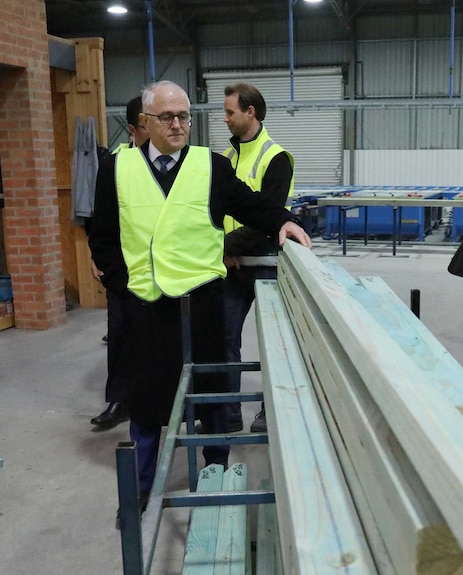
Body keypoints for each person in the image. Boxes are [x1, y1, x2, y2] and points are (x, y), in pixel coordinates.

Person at [89, 80, 311, 515]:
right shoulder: (117, 169)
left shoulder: (210, 166)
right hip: (146, 305)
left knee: (211, 396)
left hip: (202, 302)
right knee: (148, 402)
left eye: (184, 116)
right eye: (167, 117)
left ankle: (215, 476)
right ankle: (141, 488)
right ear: (145, 123)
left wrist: (282, 221)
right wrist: (122, 285)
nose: (177, 125)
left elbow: (251, 204)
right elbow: (103, 236)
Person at [220, 82, 294, 434]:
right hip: (231, 266)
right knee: (225, 340)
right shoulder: (228, 156)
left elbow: (269, 218)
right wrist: (223, 248)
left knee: (272, 343)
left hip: (265, 264)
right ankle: (228, 415)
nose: (225, 119)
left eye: (230, 112)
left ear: (250, 112)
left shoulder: (276, 157)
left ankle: (269, 411)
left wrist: (227, 246)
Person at [89, 96, 149, 430]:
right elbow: (101, 220)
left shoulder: (177, 162)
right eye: (146, 124)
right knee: (121, 337)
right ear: (132, 129)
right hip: (125, 272)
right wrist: (101, 262)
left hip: (167, 271)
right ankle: (119, 401)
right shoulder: (116, 162)